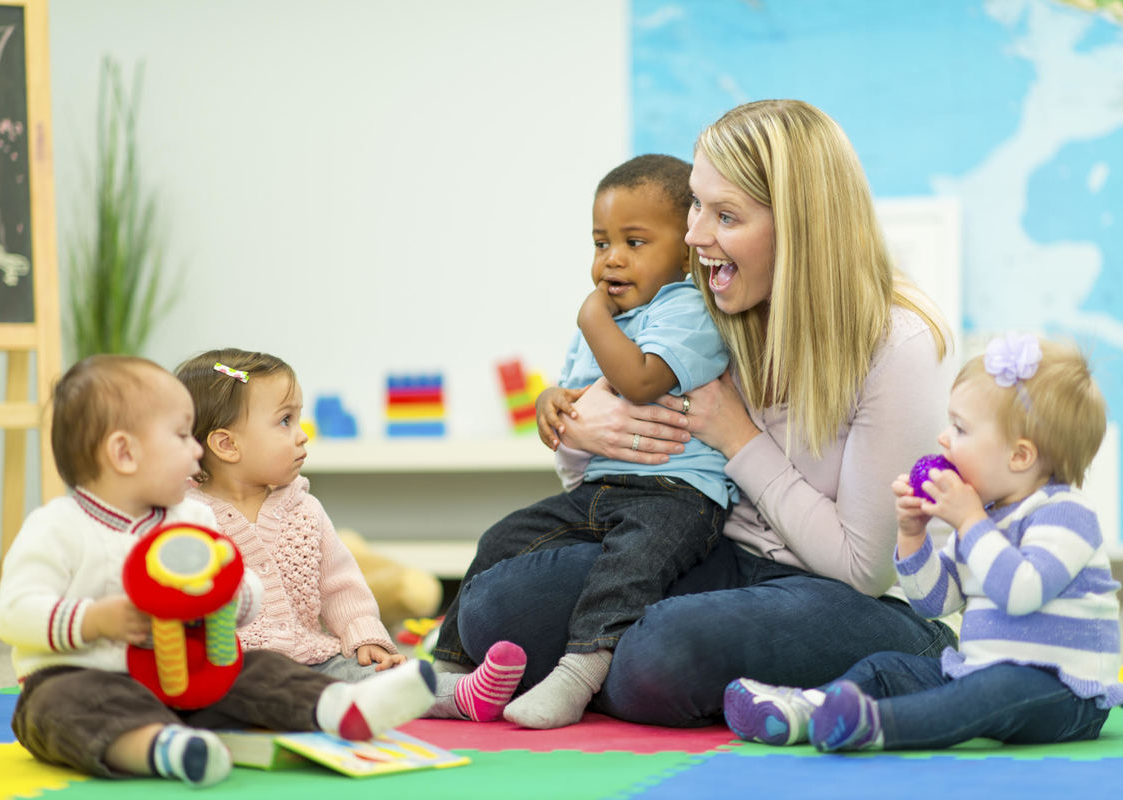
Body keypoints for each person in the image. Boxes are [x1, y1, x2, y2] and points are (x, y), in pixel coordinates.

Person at [447, 99, 960, 728]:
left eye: (725, 215)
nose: (693, 235)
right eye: (696, 203)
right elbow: (605, 492)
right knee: (495, 610)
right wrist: (581, 429)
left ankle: (921, 651)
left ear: (799, 226)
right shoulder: (707, 311)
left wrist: (738, 436)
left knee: (659, 653)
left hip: (827, 589)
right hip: (708, 555)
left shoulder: (896, 346)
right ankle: (649, 680)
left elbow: (862, 566)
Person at [0, 355, 435, 788]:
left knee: (257, 668)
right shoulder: (57, 527)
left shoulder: (190, 519)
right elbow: (13, 612)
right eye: (182, 436)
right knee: (54, 706)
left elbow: (239, 587)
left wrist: (230, 597)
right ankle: (160, 748)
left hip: (185, 679)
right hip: (89, 679)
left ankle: (339, 707)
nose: (196, 449)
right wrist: (92, 620)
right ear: (124, 452)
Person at [433, 154, 734, 729]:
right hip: (599, 486)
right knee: (504, 537)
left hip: (676, 494)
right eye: (601, 243)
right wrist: (552, 401)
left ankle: (579, 674)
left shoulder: (690, 309)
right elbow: (577, 397)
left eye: (635, 241)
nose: (612, 258)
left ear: (688, 247)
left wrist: (591, 317)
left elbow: (641, 379)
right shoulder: (607, 315)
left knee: (628, 567)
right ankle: (449, 669)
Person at [724, 333, 1123, 751]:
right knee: (886, 669)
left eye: (960, 428)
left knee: (993, 689)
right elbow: (935, 603)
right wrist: (913, 534)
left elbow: (1020, 592)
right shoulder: (984, 518)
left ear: (1020, 456)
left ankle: (873, 726)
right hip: (980, 673)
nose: (943, 438)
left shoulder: (1065, 515)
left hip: (1064, 692)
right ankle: (808, 711)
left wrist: (970, 520)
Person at [176, 348, 525, 722]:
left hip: (314, 659)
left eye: (299, 419)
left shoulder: (304, 510)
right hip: (235, 668)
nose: (302, 435)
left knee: (376, 675)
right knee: (250, 690)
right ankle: (336, 710)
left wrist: (365, 636)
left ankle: (459, 694)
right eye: (284, 421)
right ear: (227, 445)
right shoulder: (185, 518)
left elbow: (340, 586)